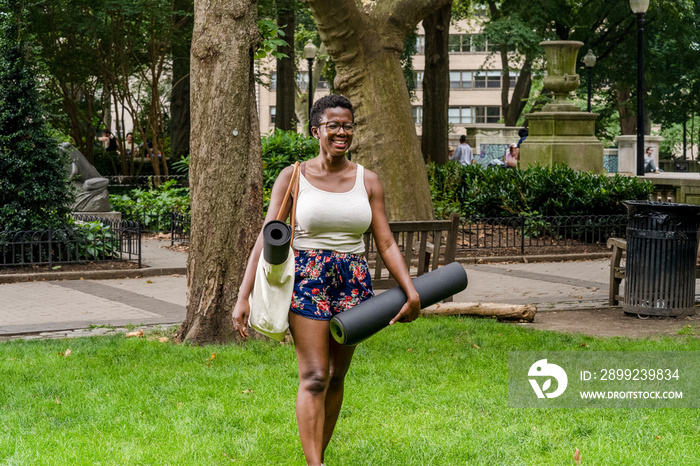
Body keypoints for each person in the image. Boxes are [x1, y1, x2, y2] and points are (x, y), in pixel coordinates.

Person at [231, 95, 421, 466]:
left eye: (347, 125)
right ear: (316, 129)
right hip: (307, 279)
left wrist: (411, 291)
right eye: (333, 125)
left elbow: (384, 242)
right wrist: (244, 295)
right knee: (315, 375)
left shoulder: (368, 180)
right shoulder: (294, 176)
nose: (341, 132)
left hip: (353, 280)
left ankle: (319, 455)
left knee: (336, 376)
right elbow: (266, 236)